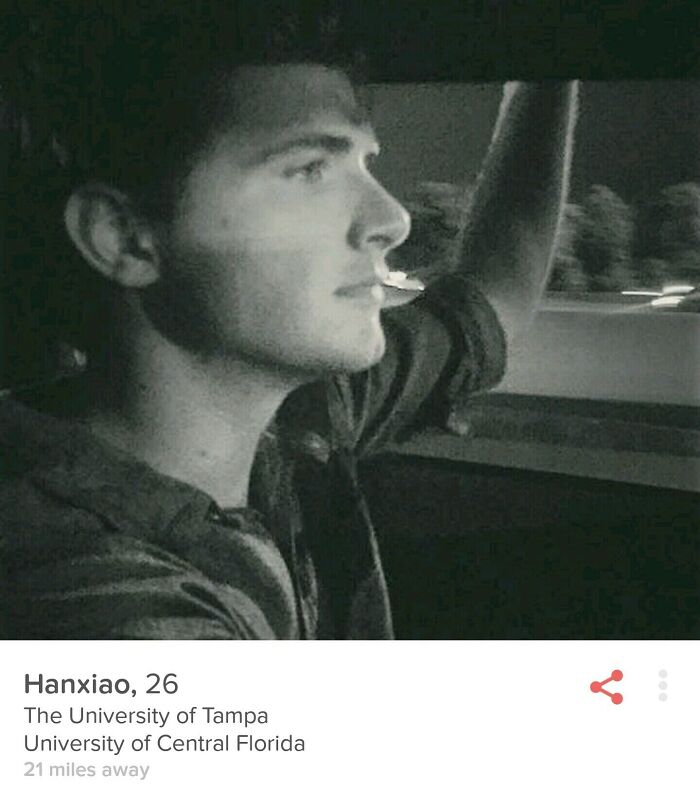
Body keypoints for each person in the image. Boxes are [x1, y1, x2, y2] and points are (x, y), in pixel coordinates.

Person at [0, 3, 578, 639]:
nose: (393, 220)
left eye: (365, 163)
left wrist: (545, 71)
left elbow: (495, 293)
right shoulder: (90, 599)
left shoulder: (303, 422)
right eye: (310, 170)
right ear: (123, 237)